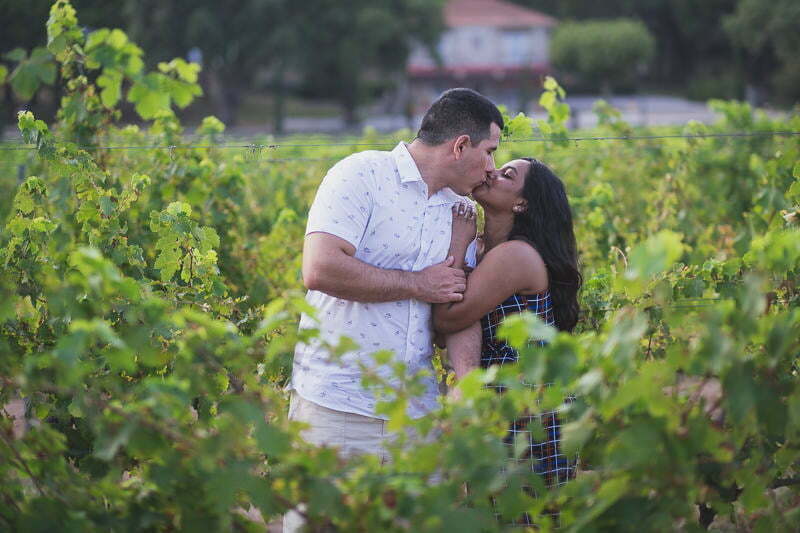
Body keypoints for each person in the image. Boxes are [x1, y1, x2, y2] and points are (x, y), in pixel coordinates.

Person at [284, 89, 503, 532]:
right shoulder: (359, 175)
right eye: (489, 152)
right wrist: (418, 284)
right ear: (460, 146)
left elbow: (458, 306)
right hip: (337, 402)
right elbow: (320, 267)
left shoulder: (460, 212)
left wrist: (465, 383)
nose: (492, 168)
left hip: (414, 414)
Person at [434, 157, 582, 526]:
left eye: (507, 175)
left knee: (518, 519)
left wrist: (457, 240)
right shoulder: (490, 252)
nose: (492, 173)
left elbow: (448, 317)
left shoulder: (515, 256)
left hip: (529, 412)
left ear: (522, 204)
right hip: (509, 405)